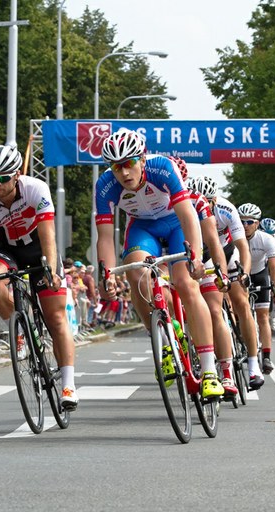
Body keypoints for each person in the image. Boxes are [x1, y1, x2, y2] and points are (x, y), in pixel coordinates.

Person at [94, 129, 224, 400]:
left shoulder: (162, 168)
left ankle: (210, 372)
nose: (124, 173)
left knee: (186, 284)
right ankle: (163, 342)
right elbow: (105, 237)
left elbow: (188, 215)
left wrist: (196, 257)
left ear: (142, 159)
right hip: (143, 229)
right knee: (136, 274)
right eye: (116, 167)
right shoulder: (105, 185)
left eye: (129, 163)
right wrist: (105, 273)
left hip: (176, 224)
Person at [0, 144, 78, 410]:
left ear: (17, 174)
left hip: (38, 249)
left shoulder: (35, 189)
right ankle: (21, 329)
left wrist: (51, 269)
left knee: (56, 315)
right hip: (6, 249)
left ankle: (69, 385)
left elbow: (48, 235)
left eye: (3, 178)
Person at [191, 176, 266, 388]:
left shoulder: (226, 209)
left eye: (207, 202)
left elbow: (243, 247)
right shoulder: (188, 207)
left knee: (241, 300)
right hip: (202, 255)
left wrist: (245, 273)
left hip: (227, 252)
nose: (202, 207)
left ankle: (253, 365)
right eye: (199, 202)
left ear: (214, 199)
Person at [184, 176, 236, 395]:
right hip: (185, 257)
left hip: (211, 257)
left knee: (215, 311)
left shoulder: (225, 210)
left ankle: (227, 373)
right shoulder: (179, 205)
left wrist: (222, 275)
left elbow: (216, 246)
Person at [237, 203, 275, 374]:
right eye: (241, 222)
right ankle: (241, 344)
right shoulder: (233, 239)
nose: (245, 226)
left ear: (257, 223)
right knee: (239, 312)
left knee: (263, 316)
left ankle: (267, 356)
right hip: (240, 274)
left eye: (249, 222)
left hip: (260, 274)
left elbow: (274, 267)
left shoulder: (267, 239)